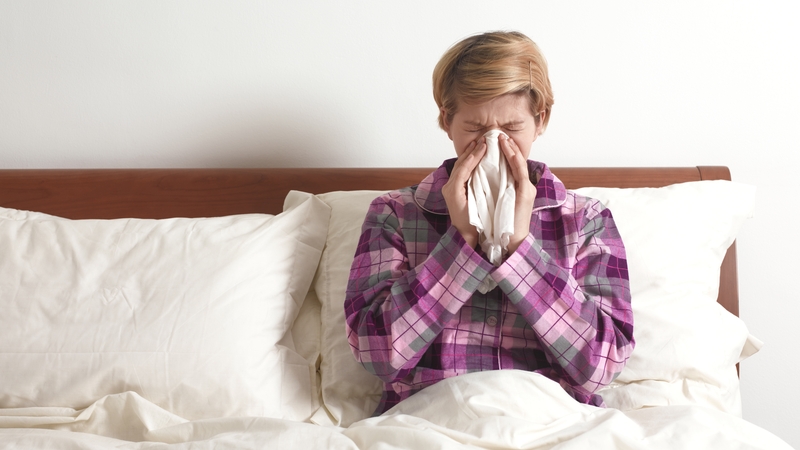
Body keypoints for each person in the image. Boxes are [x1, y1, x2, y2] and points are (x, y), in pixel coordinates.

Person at [344, 31, 634, 415]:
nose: (494, 145)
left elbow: (602, 366)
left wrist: (519, 250)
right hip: (431, 420)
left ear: (540, 120)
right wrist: (461, 242)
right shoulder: (395, 213)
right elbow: (377, 355)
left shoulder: (586, 220)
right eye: (476, 130)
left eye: (512, 129)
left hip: (552, 419)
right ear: (447, 121)